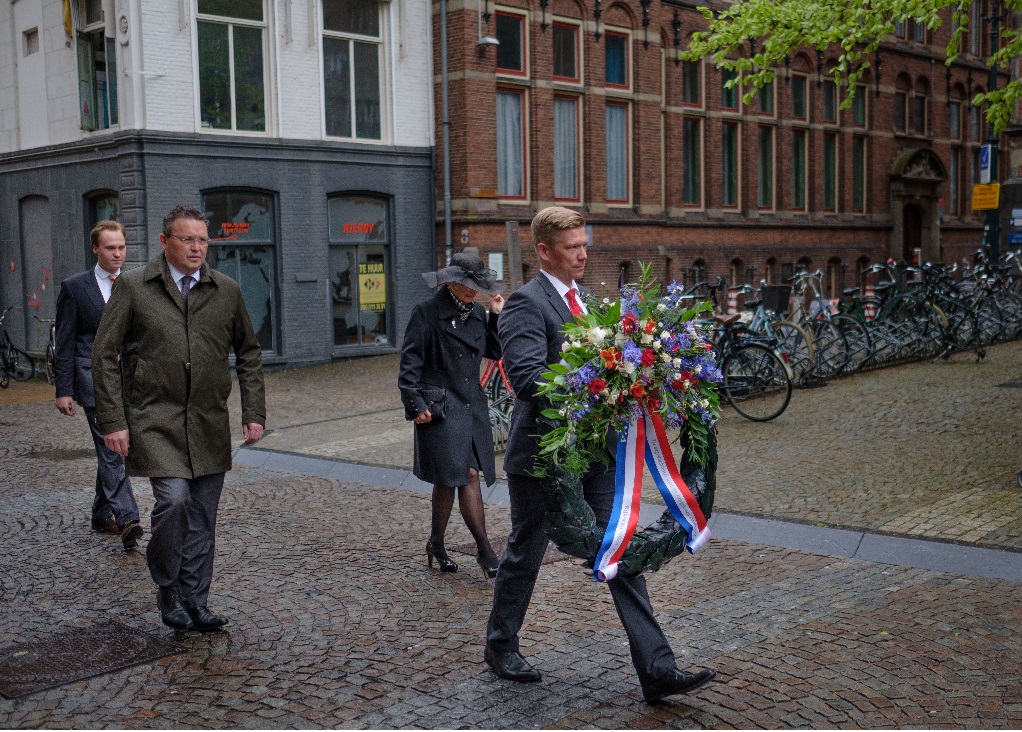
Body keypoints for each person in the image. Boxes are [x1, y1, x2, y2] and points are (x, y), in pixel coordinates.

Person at [484, 206, 716, 703]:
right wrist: (596, 382)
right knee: (527, 549)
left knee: (619, 545)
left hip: (598, 453)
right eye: (572, 247)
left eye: (584, 244)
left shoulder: (590, 302)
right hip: (546, 459)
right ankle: (501, 646)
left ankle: (657, 669)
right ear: (544, 251)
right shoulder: (527, 304)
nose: (583, 254)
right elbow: (526, 380)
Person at [92, 205, 266, 633]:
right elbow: (104, 355)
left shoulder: (225, 290)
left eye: (203, 240)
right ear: (164, 241)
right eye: (187, 239)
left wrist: (254, 411)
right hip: (154, 418)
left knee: (204, 514)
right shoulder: (135, 287)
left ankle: (196, 600)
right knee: (173, 501)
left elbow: (249, 352)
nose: (196, 247)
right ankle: (169, 587)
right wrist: (114, 420)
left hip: (208, 421)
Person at [398, 253, 505, 579]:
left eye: (478, 285)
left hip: (470, 407)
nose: (473, 291)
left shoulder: (477, 313)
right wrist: (416, 405)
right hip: (440, 410)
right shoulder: (426, 313)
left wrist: (497, 317)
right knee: (464, 476)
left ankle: (436, 543)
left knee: (452, 478)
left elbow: (495, 352)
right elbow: (408, 368)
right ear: (451, 282)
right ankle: (485, 550)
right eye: (467, 285)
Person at [54, 220, 143, 550]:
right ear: (95, 249)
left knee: (113, 447)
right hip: (91, 381)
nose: (117, 253)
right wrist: (63, 389)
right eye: (110, 247)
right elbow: (64, 342)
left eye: (121, 247)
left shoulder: (134, 285)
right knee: (112, 447)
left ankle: (100, 511)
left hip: (128, 383)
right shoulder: (75, 287)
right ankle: (127, 518)